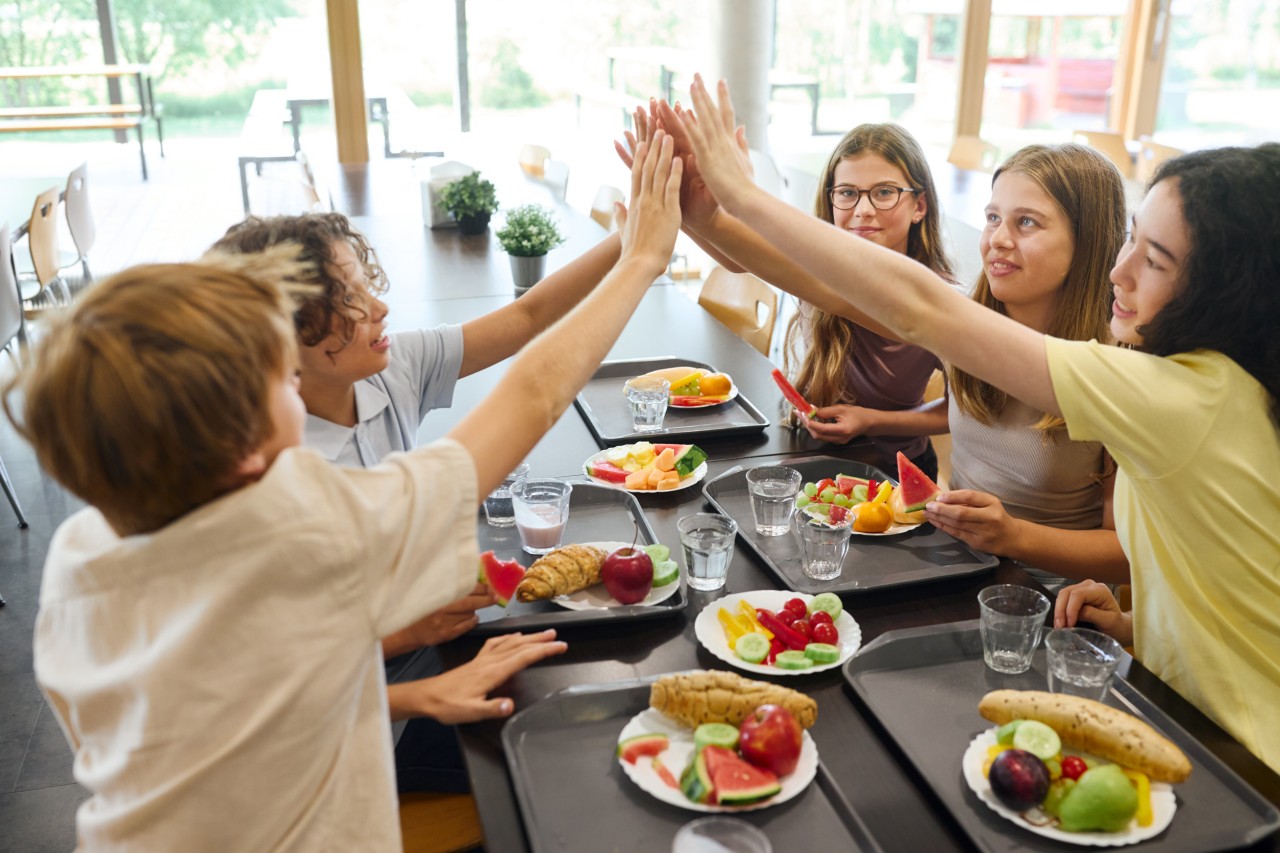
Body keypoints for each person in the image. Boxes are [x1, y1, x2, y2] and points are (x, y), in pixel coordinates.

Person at [5, 132, 684, 848]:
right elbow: (533, 394)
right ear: (240, 446)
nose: (293, 395)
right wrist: (642, 256)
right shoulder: (303, 527)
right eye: (277, 381)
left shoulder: (79, 554)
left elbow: (237, 715)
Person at [676, 76, 1280, 772]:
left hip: (1241, 752)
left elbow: (917, 307)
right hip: (1163, 693)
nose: (1121, 269)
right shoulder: (1217, 388)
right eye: (1131, 243)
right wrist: (1141, 624)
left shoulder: (1173, 394)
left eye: (1156, 258)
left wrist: (744, 196)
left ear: (1227, 289)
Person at [211, 212, 630, 792]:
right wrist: (407, 629)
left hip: (428, 653)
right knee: (566, 748)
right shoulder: (274, 480)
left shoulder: (386, 370)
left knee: (585, 687)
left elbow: (527, 316)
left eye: (367, 287)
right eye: (349, 301)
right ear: (280, 340)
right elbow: (272, 676)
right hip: (358, 731)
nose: (378, 309)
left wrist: (631, 236)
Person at [636, 103, 1128, 586]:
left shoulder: (1118, 373)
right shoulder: (971, 326)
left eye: (1027, 222)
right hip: (956, 565)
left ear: (1087, 241)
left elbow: (1127, 557)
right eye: (993, 218)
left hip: (1046, 597)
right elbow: (811, 277)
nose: (997, 239)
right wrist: (704, 214)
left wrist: (1015, 536)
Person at [622, 109, 953, 481]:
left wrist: (872, 421)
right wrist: (679, 204)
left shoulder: (941, 297)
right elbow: (739, 259)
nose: (863, 210)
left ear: (919, 206)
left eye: (884, 193)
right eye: (847, 193)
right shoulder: (822, 259)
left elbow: (960, 414)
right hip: (813, 454)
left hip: (892, 470)